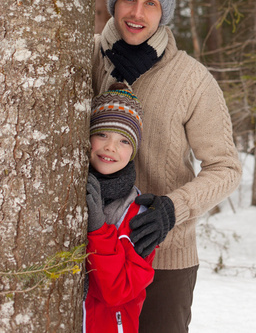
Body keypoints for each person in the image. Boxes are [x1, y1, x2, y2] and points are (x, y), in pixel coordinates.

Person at [92, 0, 242, 333]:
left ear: (164, 13)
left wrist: (173, 209)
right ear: (113, 2)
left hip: (162, 258)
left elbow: (226, 168)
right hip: (90, 252)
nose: (137, 12)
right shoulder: (86, 57)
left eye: (151, 3)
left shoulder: (192, 79)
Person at [84, 82, 156, 333]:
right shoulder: (67, 191)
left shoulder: (140, 216)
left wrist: (97, 230)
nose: (110, 147)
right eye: (102, 134)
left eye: (124, 141)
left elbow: (118, 291)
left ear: (134, 151)